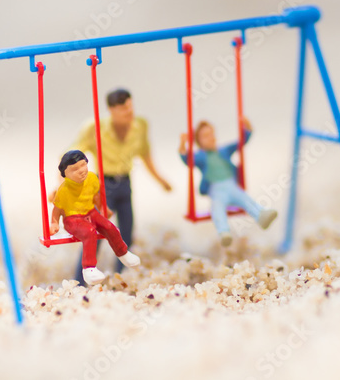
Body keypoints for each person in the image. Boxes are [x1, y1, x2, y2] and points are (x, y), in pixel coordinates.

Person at [66, 88, 171, 283]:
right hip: (104, 185)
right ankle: (79, 280)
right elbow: (72, 156)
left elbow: (146, 155)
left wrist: (160, 180)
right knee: (95, 233)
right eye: (123, 109)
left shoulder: (140, 125)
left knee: (127, 232)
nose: (129, 113)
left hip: (125, 184)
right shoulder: (94, 128)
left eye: (130, 107)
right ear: (112, 110)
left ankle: (120, 276)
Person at [178, 117, 277, 246]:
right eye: (206, 136)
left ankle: (261, 215)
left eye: (212, 134)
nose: (211, 138)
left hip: (231, 185)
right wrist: (182, 144)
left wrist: (247, 128)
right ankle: (224, 232)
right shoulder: (201, 157)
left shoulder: (223, 151)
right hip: (216, 189)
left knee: (245, 199)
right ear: (199, 141)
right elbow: (187, 159)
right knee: (217, 208)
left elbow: (240, 143)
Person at [50, 150, 140, 286]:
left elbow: (96, 196)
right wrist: (54, 223)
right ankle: (89, 268)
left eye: (83, 165)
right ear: (65, 174)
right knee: (89, 232)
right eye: (75, 169)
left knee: (110, 226)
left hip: (91, 212)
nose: (81, 171)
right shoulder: (64, 189)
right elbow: (57, 209)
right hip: (73, 219)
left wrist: (103, 208)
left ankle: (123, 253)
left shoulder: (92, 178)